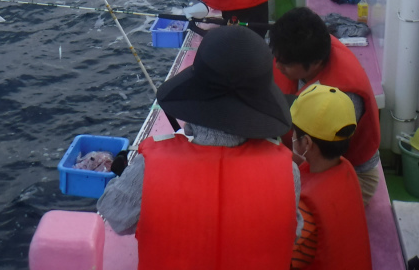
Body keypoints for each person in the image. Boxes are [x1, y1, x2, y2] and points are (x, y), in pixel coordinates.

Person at [97, 26, 301, 270]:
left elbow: (116, 216)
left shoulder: (150, 166)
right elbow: (293, 231)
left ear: (194, 95)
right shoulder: (288, 171)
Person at [269, 7, 382, 203]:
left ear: (315, 63)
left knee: (282, 204)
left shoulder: (341, 99)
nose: (277, 66)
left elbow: (316, 160)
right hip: (306, 152)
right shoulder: (299, 48)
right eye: (277, 58)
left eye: (285, 63)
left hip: (347, 171)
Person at [290, 84, 372, 270]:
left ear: (307, 143)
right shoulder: (345, 168)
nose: (292, 135)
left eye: (294, 131)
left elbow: (287, 260)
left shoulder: (306, 209)